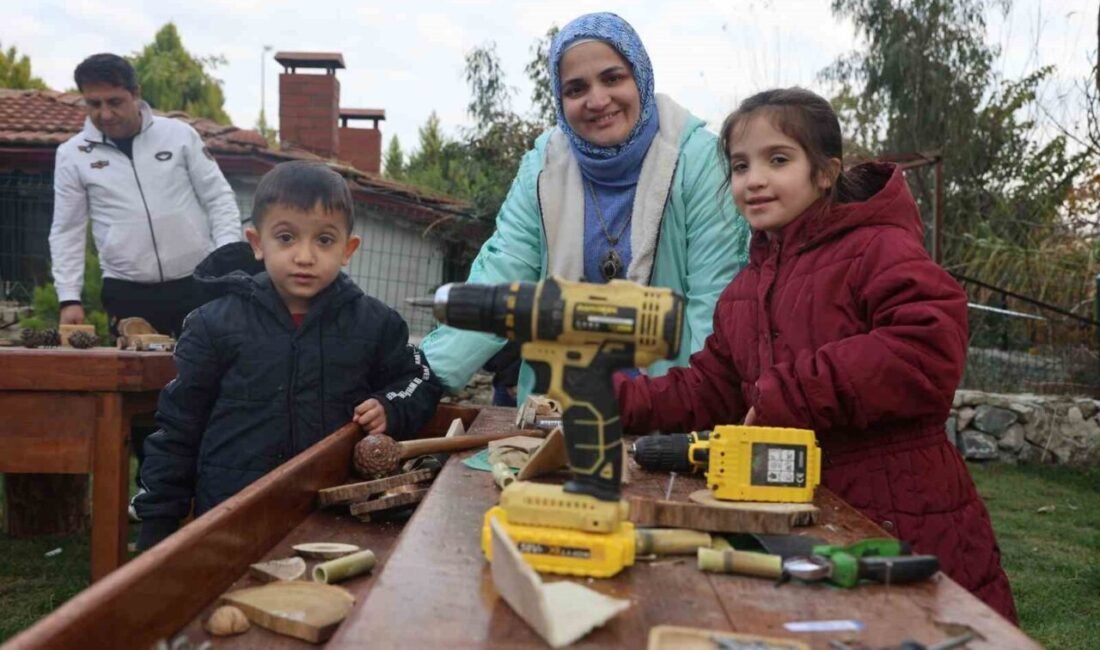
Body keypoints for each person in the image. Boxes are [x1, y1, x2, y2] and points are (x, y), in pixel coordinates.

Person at [615, 87, 1017, 621]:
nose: (753, 178)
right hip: (802, 514)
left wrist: (791, 394)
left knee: (912, 630)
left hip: (898, 513)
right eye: (739, 165)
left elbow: (924, 349)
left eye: (777, 160)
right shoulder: (745, 289)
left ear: (825, 172)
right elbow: (709, 386)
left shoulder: (879, 248)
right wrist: (613, 398)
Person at [420, 12, 749, 399]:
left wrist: (694, 404)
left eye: (612, 78)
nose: (597, 100)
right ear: (560, 101)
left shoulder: (699, 160)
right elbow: (501, 275)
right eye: (576, 89)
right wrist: (427, 377)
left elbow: (714, 300)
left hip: (671, 407)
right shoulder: (544, 166)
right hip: (558, 408)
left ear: (640, 76)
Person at [134, 161, 442, 550]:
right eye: (286, 237)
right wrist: (159, 519)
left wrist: (390, 406)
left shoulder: (376, 325)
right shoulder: (213, 324)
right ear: (258, 243)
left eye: (324, 240)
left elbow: (421, 380)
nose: (305, 256)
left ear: (349, 249)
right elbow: (178, 426)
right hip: (231, 516)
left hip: (335, 515)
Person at [50, 53, 242, 338]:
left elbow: (218, 197)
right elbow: (67, 229)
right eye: (94, 104)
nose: (105, 114)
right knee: (133, 379)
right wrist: (69, 298)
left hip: (196, 282)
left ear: (135, 94)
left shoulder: (179, 135)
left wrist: (223, 261)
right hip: (126, 290)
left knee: (207, 376)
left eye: (114, 102)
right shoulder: (71, 155)